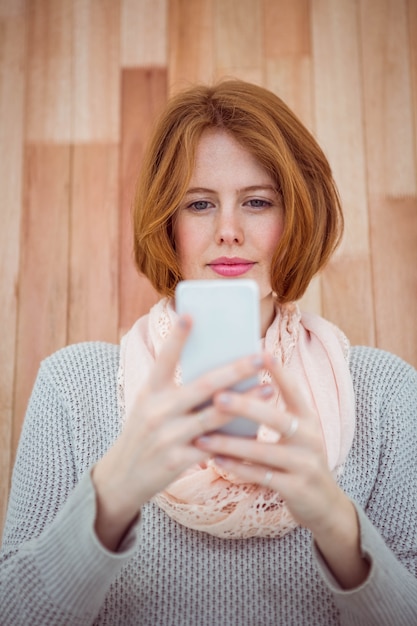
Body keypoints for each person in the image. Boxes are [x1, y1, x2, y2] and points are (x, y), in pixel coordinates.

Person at [1, 80, 416, 626]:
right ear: (167, 226)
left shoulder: (385, 391)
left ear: (297, 218)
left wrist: (337, 522)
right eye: (199, 204)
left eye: (258, 202)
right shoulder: (73, 387)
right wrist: (110, 497)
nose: (227, 231)